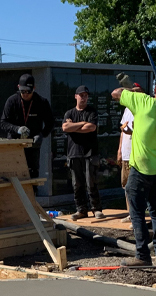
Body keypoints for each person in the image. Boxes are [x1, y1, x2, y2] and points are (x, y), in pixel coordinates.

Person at [111, 75, 156, 268]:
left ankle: (142, 255)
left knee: (137, 213)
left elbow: (115, 93)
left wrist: (132, 94)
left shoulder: (142, 101)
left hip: (140, 170)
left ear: (155, 89)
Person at [0, 74, 54, 178]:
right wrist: (17, 129)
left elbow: (50, 123)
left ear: (34, 88)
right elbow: (3, 123)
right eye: (22, 91)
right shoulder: (12, 101)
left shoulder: (41, 102)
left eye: (28, 91)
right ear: (18, 87)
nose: (25, 94)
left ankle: (33, 192)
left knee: (32, 173)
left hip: (32, 145)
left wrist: (42, 134)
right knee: (14, 173)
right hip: (14, 144)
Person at [62, 85, 104, 220]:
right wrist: (82, 124)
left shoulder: (92, 112)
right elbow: (65, 127)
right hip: (74, 153)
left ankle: (96, 209)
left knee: (91, 182)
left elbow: (91, 127)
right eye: (81, 95)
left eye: (86, 95)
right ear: (76, 96)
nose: (84, 98)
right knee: (77, 184)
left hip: (90, 153)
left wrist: (74, 126)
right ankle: (81, 209)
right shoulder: (69, 113)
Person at [116, 83, 141, 223]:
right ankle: (131, 214)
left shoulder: (141, 109)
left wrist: (127, 130)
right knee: (126, 185)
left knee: (134, 186)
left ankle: (137, 215)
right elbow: (122, 131)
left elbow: (137, 131)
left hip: (135, 153)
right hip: (125, 153)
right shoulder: (127, 109)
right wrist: (119, 150)